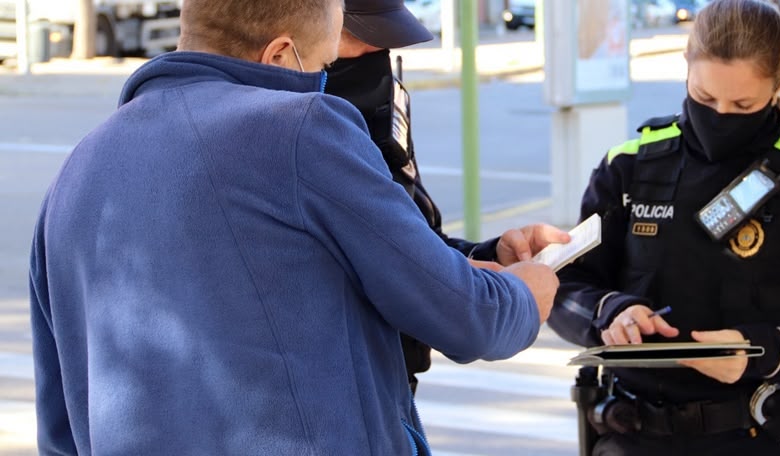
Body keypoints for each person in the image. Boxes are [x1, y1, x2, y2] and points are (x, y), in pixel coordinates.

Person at [28, 0, 561, 454]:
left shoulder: (73, 177)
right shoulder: (301, 127)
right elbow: (468, 317)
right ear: (281, 54)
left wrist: (470, 261)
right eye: (326, 64)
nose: (330, 83)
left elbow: (59, 426)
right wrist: (524, 293)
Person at [547, 0, 780, 454]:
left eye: (743, 103)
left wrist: (757, 352)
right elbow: (562, 287)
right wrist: (609, 312)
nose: (721, 114)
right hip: (631, 433)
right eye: (705, 98)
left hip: (756, 436)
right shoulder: (630, 166)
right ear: (686, 66)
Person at [324, 0, 570, 395]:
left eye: (387, 40)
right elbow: (432, 297)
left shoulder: (381, 109)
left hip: (390, 390)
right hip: (339, 401)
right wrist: (516, 300)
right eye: (360, 37)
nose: (378, 53)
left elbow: (414, 238)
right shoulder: (300, 139)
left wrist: (481, 259)